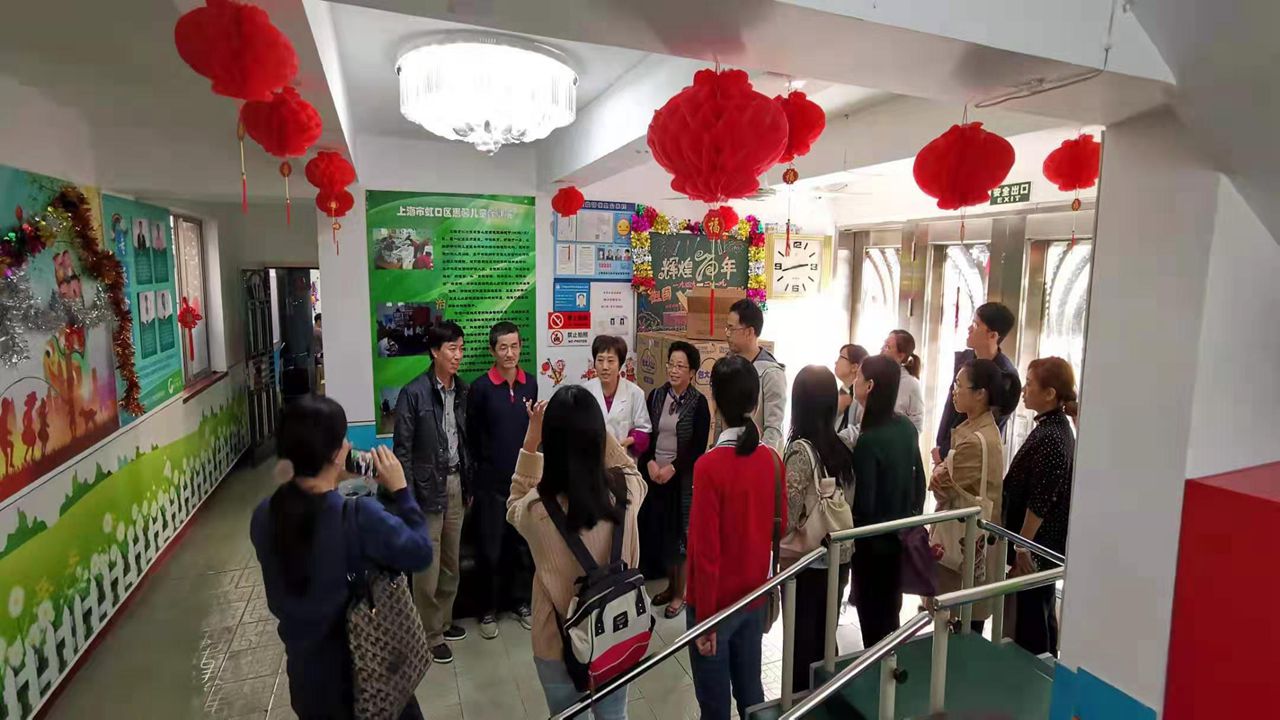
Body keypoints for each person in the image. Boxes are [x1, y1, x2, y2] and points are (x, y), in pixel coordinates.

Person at [251, 396, 433, 720]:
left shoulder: (264, 515)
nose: (349, 445)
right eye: (344, 439)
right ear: (335, 455)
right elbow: (420, 552)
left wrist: (334, 479)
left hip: (307, 684)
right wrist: (401, 490)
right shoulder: (359, 517)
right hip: (364, 680)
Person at [507, 386, 645, 720]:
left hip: (558, 645)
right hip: (617, 632)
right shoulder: (628, 489)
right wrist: (595, 428)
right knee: (615, 714)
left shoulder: (537, 510)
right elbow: (627, 467)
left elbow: (513, 505)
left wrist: (531, 439)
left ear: (552, 444)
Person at [686, 355, 785, 720]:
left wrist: (706, 620)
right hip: (754, 596)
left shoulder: (708, 466)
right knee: (751, 694)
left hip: (714, 604)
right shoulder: (771, 460)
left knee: (714, 705)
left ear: (714, 401)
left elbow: (705, 551)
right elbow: (780, 526)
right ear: (755, 403)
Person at [393, 320, 471, 663]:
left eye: (461, 348)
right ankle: (429, 633)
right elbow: (402, 451)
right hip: (426, 488)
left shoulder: (463, 390)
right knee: (428, 563)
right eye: (452, 349)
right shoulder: (413, 393)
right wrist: (407, 497)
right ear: (434, 352)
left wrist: (469, 482)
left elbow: (465, 441)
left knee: (452, 561)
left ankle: (444, 621)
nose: (458, 355)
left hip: (456, 483)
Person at [930, 358, 1019, 632]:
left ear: (980, 393)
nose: (954, 391)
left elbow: (939, 484)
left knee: (958, 622)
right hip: (970, 541)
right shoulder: (979, 429)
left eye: (959, 384)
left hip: (966, 543)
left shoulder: (976, 441)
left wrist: (941, 467)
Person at [781, 365, 855, 694]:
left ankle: (801, 702)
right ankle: (825, 695)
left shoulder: (801, 450)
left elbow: (789, 514)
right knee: (825, 637)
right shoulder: (840, 447)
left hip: (806, 561)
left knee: (801, 642)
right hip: (838, 555)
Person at [467, 321, 537, 640]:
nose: (510, 353)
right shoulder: (480, 388)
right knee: (489, 550)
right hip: (491, 485)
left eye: (515, 346)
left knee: (521, 547)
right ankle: (487, 609)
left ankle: (520, 603)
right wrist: (476, 483)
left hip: (522, 484)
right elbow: (472, 437)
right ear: (492, 351)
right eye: (503, 347)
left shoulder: (530, 384)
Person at [849, 355, 926, 646]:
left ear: (869, 385)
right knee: (890, 615)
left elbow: (864, 504)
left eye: (858, 376)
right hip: (901, 539)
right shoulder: (906, 427)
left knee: (873, 621)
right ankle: (892, 667)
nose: (854, 381)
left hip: (872, 546)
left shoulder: (869, 440)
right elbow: (920, 483)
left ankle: (878, 670)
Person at [1003, 357, 1077, 656]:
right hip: (1043, 542)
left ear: (1049, 393)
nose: (1024, 390)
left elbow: (1040, 501)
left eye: (1030, 384)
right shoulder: (1053, 428)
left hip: (1040, 544)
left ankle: (1034, 670)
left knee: (1032, 618)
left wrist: (1023, 546)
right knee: (1040, 612)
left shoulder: (1052, 437)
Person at [638, 341, 711, 619]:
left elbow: (697, 447)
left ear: (692, 372)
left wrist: (672, 468)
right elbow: (646, 434)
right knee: (663, 535)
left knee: (680, 538)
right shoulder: (657, 396)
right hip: (655, 476)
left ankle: (681, 594)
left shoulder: (699, 403)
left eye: (681, 366)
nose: (674, 370)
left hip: (681, 481)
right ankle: (671, 587)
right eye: (671, 364)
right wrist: (651, 463)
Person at [934, 302, 1020, 462]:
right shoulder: (965, 359)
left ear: (993, 335)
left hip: (972, 454)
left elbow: (991, 423)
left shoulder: (1005, 375)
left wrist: (947, 451)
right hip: (946, 450)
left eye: (976, 324)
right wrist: (941, 446)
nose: (969, 328)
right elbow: (950, 407)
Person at [724, 298, 786, 453]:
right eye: (727, 328)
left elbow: (773, 428)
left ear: (749, 332)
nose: (727, 334)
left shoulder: (770, 373)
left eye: (732, 329)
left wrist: (760, 460)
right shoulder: (728, 364)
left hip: (756, 457)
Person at [583, 335, 651, 456]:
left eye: (610, 361)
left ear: (620, 364)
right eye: (600, 360)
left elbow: (644, 432)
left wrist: (630, 440)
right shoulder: (584, 392)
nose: (605, 367)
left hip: (623, 460)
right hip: (591, 460)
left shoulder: (635, 393)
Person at [882, 330, 926, 432]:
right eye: (883, 344)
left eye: (887, 347)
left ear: (901, 356)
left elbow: (917, 424)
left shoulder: (910, 383)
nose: (882, 350)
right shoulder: (877, 377)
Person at [835, 344, 869, 449]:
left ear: (854, 367)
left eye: (841, 357)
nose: (836, 362)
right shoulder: (841, 393)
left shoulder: (862, 397)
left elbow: (863, 430)